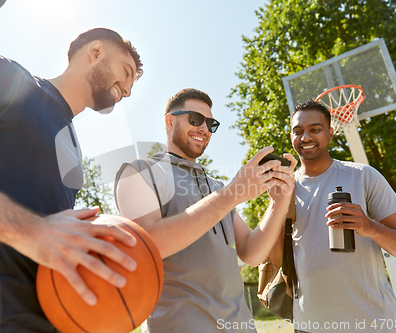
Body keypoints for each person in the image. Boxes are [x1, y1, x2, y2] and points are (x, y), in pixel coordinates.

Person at [0, 28, 143, 332]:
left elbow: (52, 243)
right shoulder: (5, 77)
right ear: (96, 52)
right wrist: (31, 229)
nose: (129, 90)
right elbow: (39, 233)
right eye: (127, 71)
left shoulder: (72, 144)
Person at [114, 88, 297, 332]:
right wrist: (231, 195)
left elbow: (252, 254)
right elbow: (149, 246)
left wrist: (279, 203)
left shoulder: (217, 188)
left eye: (210, 123)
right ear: (170, 121)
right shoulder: (138, 172)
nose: (204, 128)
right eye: (195, 119)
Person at [270, 99, 396, 332]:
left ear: (330, 134)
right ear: (291, 137)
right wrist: (275, 207)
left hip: (374, 323)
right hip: (310, 325)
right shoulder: (284, 189)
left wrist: (369, 227)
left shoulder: (363, 176)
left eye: (315, 129)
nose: (306, 137)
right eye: (298, 131)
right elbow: (280, 260)